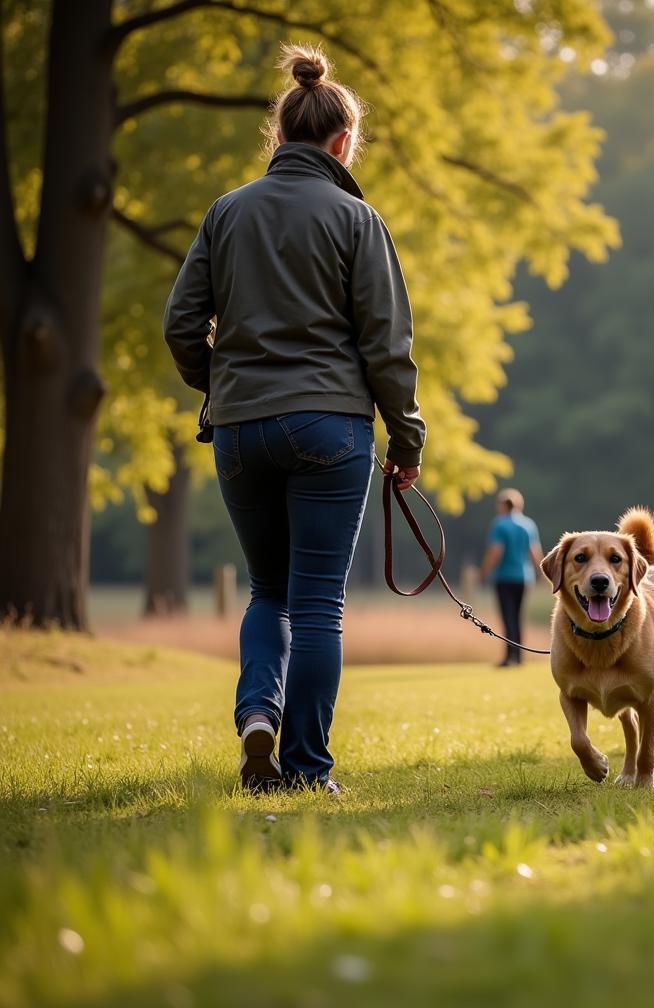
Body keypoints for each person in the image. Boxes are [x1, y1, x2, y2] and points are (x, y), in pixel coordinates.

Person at [162, 44, 425, 794]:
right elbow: (388, 347)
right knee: (317, 603)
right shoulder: (356, 218)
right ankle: (308, 770)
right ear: (343, 143)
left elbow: (181, 325)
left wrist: (222, 383)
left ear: (277, 137)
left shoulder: (225, 212)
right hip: (330, 428)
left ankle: (257, 719)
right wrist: (406, 442)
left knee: (266, 591)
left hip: (241, 430)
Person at [479, 489, 543, 667]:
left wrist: (483, 571)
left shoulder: (500, 524)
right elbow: (534, 552)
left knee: (508, 617)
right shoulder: (528, 525)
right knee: (518, 616)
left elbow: (495, 551)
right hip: (524, 577)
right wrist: (542, 572)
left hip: (504, 577)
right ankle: (519, 656)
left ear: (503, 505)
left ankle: (510, 657)